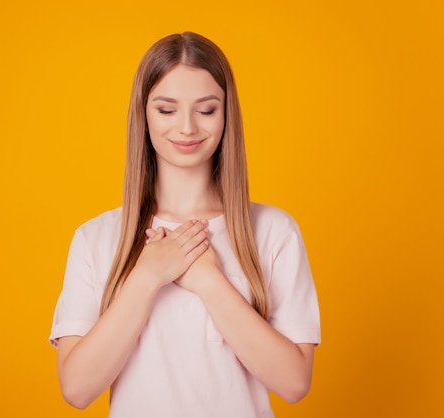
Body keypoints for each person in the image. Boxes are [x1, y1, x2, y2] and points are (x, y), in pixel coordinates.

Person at [49, 31, 321, 418]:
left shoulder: (275, 231)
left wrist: (209, 281)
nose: (188, 127)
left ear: (227, 114)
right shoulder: (95, 238)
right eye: (166, 109)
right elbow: (76, 389)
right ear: (143, 114)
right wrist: (147, 276)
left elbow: (294, 383)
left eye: (207, 110)